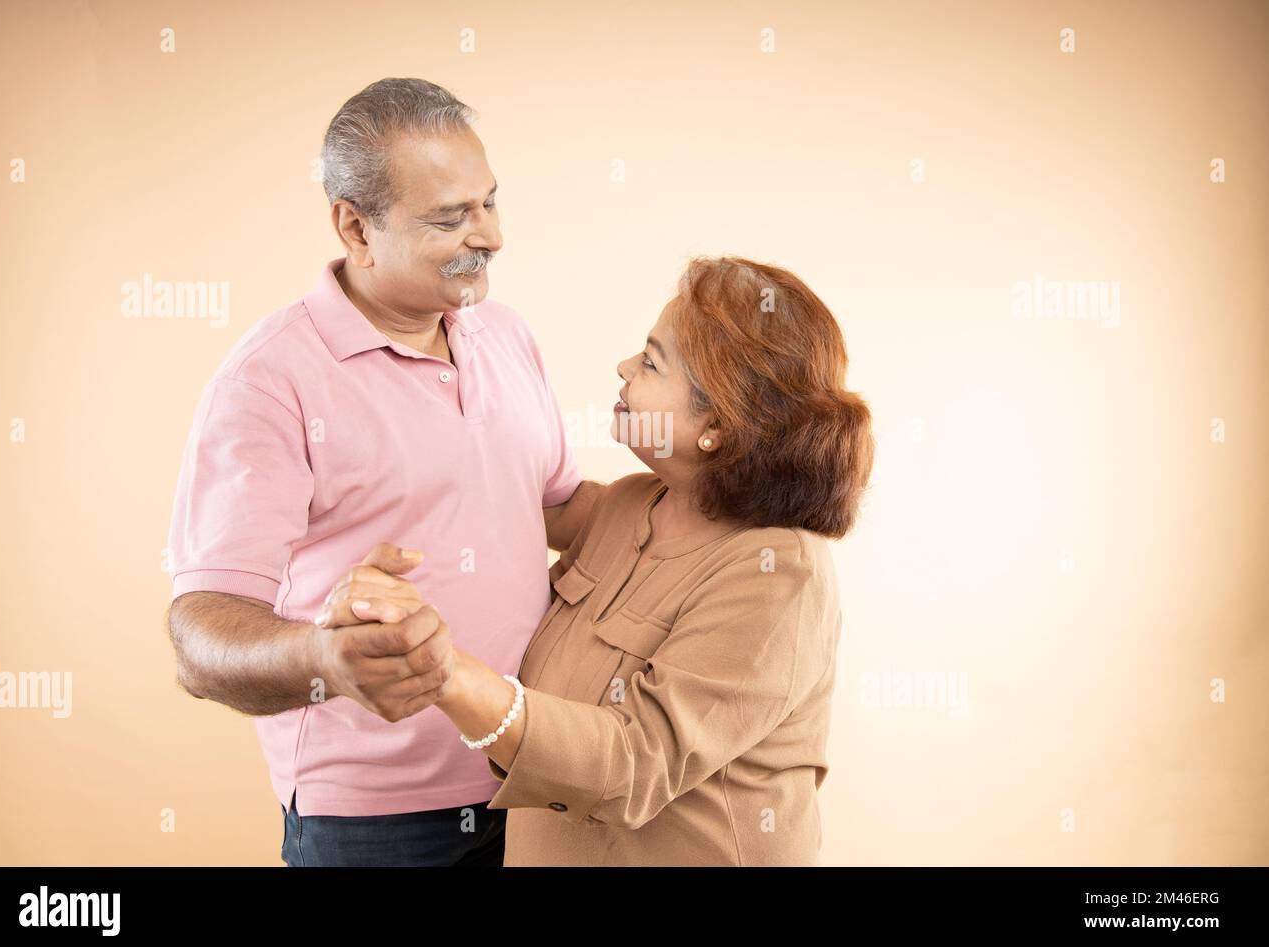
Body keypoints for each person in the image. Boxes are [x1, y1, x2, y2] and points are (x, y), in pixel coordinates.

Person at [165, 77, 603, 866]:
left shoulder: (503, 332)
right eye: (451, 217)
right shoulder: (270, 380)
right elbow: (201, 639)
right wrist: (323, 661)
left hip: (536, 778)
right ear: (355, 227)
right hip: (376, 827)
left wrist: (728, 502)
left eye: (491, 203)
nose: (492, 235)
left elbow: (559, 509)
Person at [323, 255, 875, 865]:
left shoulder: (777, 575)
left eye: (650, 361)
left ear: (715, 423)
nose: (623, 368)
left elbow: (631, 763)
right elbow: (502, 499)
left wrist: (443, 672)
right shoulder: (633, 505)